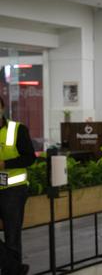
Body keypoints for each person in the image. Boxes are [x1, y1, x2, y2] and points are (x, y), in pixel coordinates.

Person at [0, 96, 35, 275]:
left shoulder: (17, 129)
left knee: (12, 236)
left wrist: (5, 165)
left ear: (3, 107)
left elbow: (30, 158)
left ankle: (12, 272)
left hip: (13, 191)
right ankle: (14, 269)